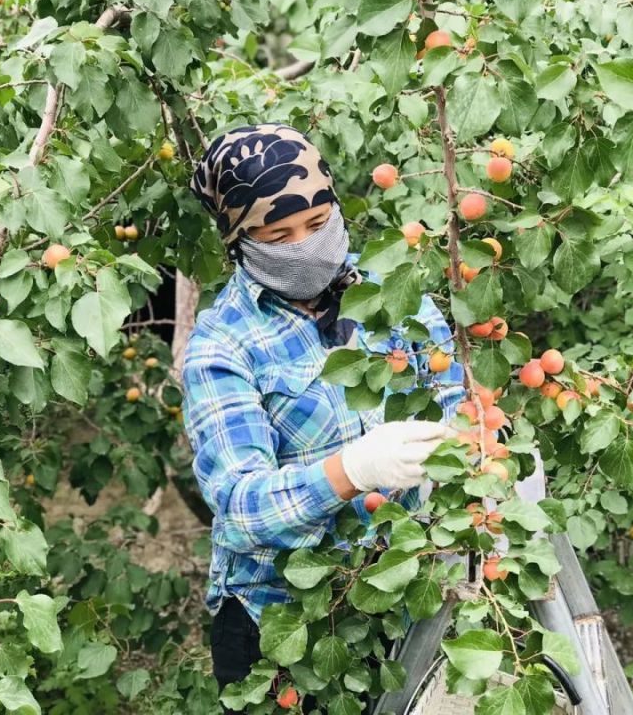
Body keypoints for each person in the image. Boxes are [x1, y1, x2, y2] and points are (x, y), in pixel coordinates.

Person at [183, 123, 465, 712]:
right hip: (277, 619)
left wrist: (478, 442)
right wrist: (352, 470)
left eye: (317, 223)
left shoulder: (392, 289)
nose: (306, 246)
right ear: (240, 241)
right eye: (278, 235)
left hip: (399, 591)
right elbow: (240, 507)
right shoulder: (223, 344)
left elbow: (451, 398)